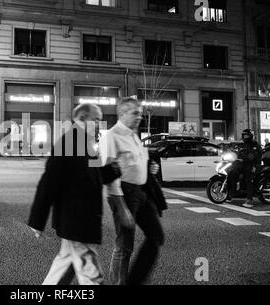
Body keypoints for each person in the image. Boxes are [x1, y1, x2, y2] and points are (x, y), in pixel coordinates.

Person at [27, 103, 122, 285]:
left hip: (81, 219)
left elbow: (96, 173)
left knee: (63, 266)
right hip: (77, 220)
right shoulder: (69, 142)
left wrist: (116, 168)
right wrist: (37, 221)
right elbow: (48, 182)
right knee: (91, 274)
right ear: (82, 119)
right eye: (96, 119)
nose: (99, 124)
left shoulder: (85, 142)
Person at [99, 97, 167, 285]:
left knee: (156, 237)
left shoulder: (133, 134)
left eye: (140, 113)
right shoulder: (112, 137)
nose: (140, 117)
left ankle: (134, 281)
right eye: (135, 113)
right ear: (122, 113)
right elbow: (108, 175)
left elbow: (136, 161)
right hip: (124, 193)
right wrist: (121, 207)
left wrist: (149, 168)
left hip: (141, 192)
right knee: (125, 245)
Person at [227, 129, 262, 208]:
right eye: (244, 136)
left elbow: (256, 155)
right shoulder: (243, 145)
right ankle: (231, 194)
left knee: (248, 179)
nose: (245, 137)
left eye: (247, 136)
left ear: (251, 136)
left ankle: (249, 199)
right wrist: (232, 153)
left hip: (253, 165)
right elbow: (238, 152)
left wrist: (247, 158)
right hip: (243, 164)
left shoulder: (255, 145)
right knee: (231, 173)